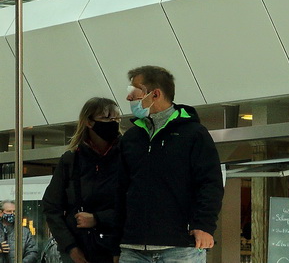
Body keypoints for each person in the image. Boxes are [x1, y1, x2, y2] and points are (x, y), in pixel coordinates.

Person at [118, 65, 223, 263]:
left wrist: (204, 225)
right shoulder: (131, 138)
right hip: (133, 247)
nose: (129, 98)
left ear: (155, 94)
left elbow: (210, 183)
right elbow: (119, 188)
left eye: (134, 92)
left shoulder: (193, 134)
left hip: (180, 246)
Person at [43, 98, 123, 263]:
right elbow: (52, 207)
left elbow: (134, 204)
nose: (113, 123)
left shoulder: (127, 156)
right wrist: (70, 247)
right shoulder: (71, 160)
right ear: (89, 122)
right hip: (79, 250)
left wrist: (98, 218)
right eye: (107, 118)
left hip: (119, 248)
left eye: (117, 119)